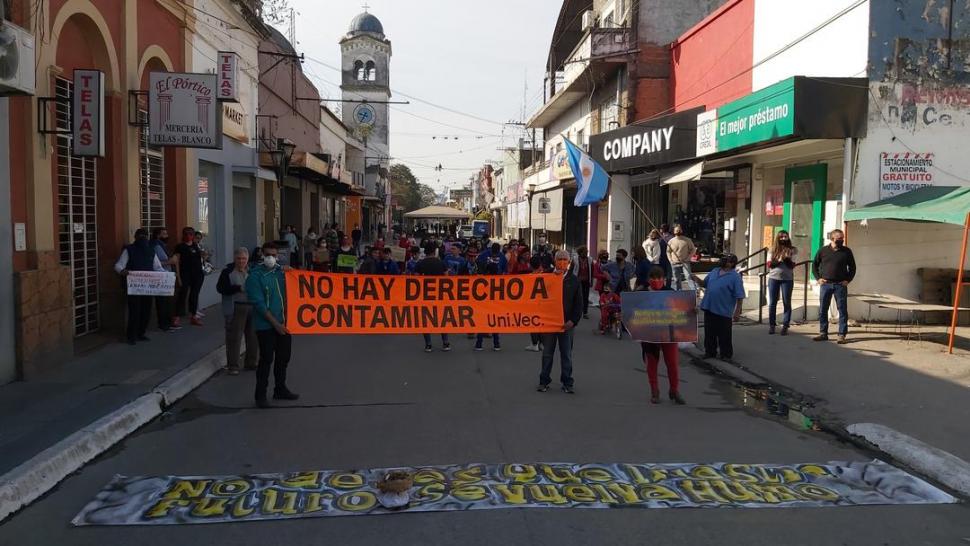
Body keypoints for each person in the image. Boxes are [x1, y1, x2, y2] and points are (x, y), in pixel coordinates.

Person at [245, 242, 298, 408]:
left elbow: (297, 289)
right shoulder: (254, 277)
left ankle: (280, 389)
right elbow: (259, 305)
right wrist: (276, 325)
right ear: (261, 254)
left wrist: (293, 273)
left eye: (274, 255)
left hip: (285, 324)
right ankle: (260, 395)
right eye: (267, 254)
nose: (271, 258)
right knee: (267, 359)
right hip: (266, 326)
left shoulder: (281, 273)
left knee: (283, 358)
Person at [537, 250, 584, 394]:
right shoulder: (546, 277)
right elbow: (538, 299)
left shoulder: (574, 280)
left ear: (569, 262)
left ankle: (567, 382)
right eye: (559, 259)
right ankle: (544, 381)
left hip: (567, 324)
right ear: (554, 260)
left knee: (566, 355)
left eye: (565, 259)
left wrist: (573, 321)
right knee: (547, 354)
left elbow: (579, 304)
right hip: (550, 324)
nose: (562, 262)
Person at [639, 266, 685, 405]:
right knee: (652, 364)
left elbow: (680, 310)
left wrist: (691, 310)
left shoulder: (670, 293)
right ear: (648, 279)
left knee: (672, 363)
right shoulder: (641, 293)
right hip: (650, 334)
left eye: (659, 278)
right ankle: (654, 391)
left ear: (663, 279)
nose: (656, 280)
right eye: (653, 278)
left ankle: (674, 390)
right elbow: (634, 312)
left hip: (669, 334)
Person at [114, 228, 166, 345]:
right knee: (135, 311)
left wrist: (165, 276)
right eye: (141, 236)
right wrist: (123, 271)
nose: (143, 238)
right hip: (133, 286)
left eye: (144, 236)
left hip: (148, 287)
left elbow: (157, 267)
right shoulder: (129, 250)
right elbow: (118, 265)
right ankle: (131, 336)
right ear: (136, 237)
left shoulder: (151, 251)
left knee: (146, 311)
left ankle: (140, 333)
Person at [693, 254, 745, 360]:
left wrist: (737, 312)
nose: (723, 261)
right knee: (709, 332)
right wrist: (696, 279)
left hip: (723, 310)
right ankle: (710, 352)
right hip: (709, 306)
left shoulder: (735, 276)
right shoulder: (715, 271)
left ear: (732, 264)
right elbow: (704, 284)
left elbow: (739, 296)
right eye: (723, 259)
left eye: (726, 260)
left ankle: (726, 354)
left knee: (724, 334)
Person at [217, 248, 257, 375]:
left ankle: (251, 363)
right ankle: (233, 365)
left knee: (253, 337)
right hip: (235, 307)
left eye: (244, 259)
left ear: (247, 259)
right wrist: (237, 288)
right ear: (234, 259)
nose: (241, 261)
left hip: (252, 306)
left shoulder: (252, 271)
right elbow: (221, 288)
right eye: (239, 258)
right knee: (234, 338)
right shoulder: (227, 272)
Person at [813, 229, 856, 344]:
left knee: (842, 310)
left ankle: (841, 335)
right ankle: (823, 333)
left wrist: (848, 280)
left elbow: (853, 267)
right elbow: (814, 265)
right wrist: (818, 278)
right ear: (832, 239)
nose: (842, 240)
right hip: (826, 284)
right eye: (839, 238)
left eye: (842, 238)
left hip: (840, 285)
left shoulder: (847, 251)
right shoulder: (823, 251)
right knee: (823, 309)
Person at [416, 246, 450, 352]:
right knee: (441, 318)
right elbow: (446, 277)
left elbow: (416, 279)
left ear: (425, 253)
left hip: (425, 294)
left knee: (425, 319)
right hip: (439, 294)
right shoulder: (441, 263)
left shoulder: (420, 264)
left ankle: (428, 344)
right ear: (434, 252)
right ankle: (445, 342)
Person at [767, 230, 798, 336]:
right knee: (772, 303)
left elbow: (792, 265)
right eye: (781, 237)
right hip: (774, 278)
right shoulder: (772, 249)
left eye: (785, 237)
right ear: (778, 238)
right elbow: (769, 264)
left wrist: (787, 259)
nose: (783, 239)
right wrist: (779, 260)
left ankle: (785, 325)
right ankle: (772, 325)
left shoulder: (793, 250)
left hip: (787, 279)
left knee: (786, 302)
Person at [149, 227, 180, 332]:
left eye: (167, 233)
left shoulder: (162, 245)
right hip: (160, 277)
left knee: (168, 302)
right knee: (162, 302)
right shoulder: (156, 246)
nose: (166, 236)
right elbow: (157, 263)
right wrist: (171, 261)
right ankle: (163, 324)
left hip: (167, 276)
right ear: (158, 235)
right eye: (164, 234)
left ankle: (168, 323)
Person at [174, 227, 205, 326]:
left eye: (191, 234)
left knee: (194, 295)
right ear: (183, 235)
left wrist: (204, 255)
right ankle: (176, 316)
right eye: (186, 234)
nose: (188, 236)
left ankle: (193, 316)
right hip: (185, 274)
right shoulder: (180, 247)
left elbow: (199, 259)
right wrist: (178, 277)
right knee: (182, 295)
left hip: (197, 274)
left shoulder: (196, 246)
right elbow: (176, 262)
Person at [474, 262, 502, 351]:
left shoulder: (483, 280)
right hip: (495, 305)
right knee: (494, 324)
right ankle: (496, 344)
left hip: (484, 305)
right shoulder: (499, 281)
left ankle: (479, 344)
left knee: (482, 324)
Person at [667, 224, 696, 290]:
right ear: (674, 232)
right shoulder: (671, 241)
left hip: (685, 262)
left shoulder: (687, 240)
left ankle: (694, 291)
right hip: (674, 263)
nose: (678, 231)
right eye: (676, 230)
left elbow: (693, 250)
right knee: (677, 279)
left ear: (682, 230)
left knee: (688, 276)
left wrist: (688, 258)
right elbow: (668, 252)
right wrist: (671, 261)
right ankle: (679, 291)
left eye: (679, 230)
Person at [571, 246, 593, 319]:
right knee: (578, 297)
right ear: (580, 253)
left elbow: (592, 271)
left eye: (587, 252)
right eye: (584, 252)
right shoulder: (575, 259)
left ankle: (585, 312)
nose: (586, 253)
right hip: (577, 281)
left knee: (585, 297)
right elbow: (571, 270)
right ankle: (576, 312)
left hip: (586, 281)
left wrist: (591, 281)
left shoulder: (590, 259)